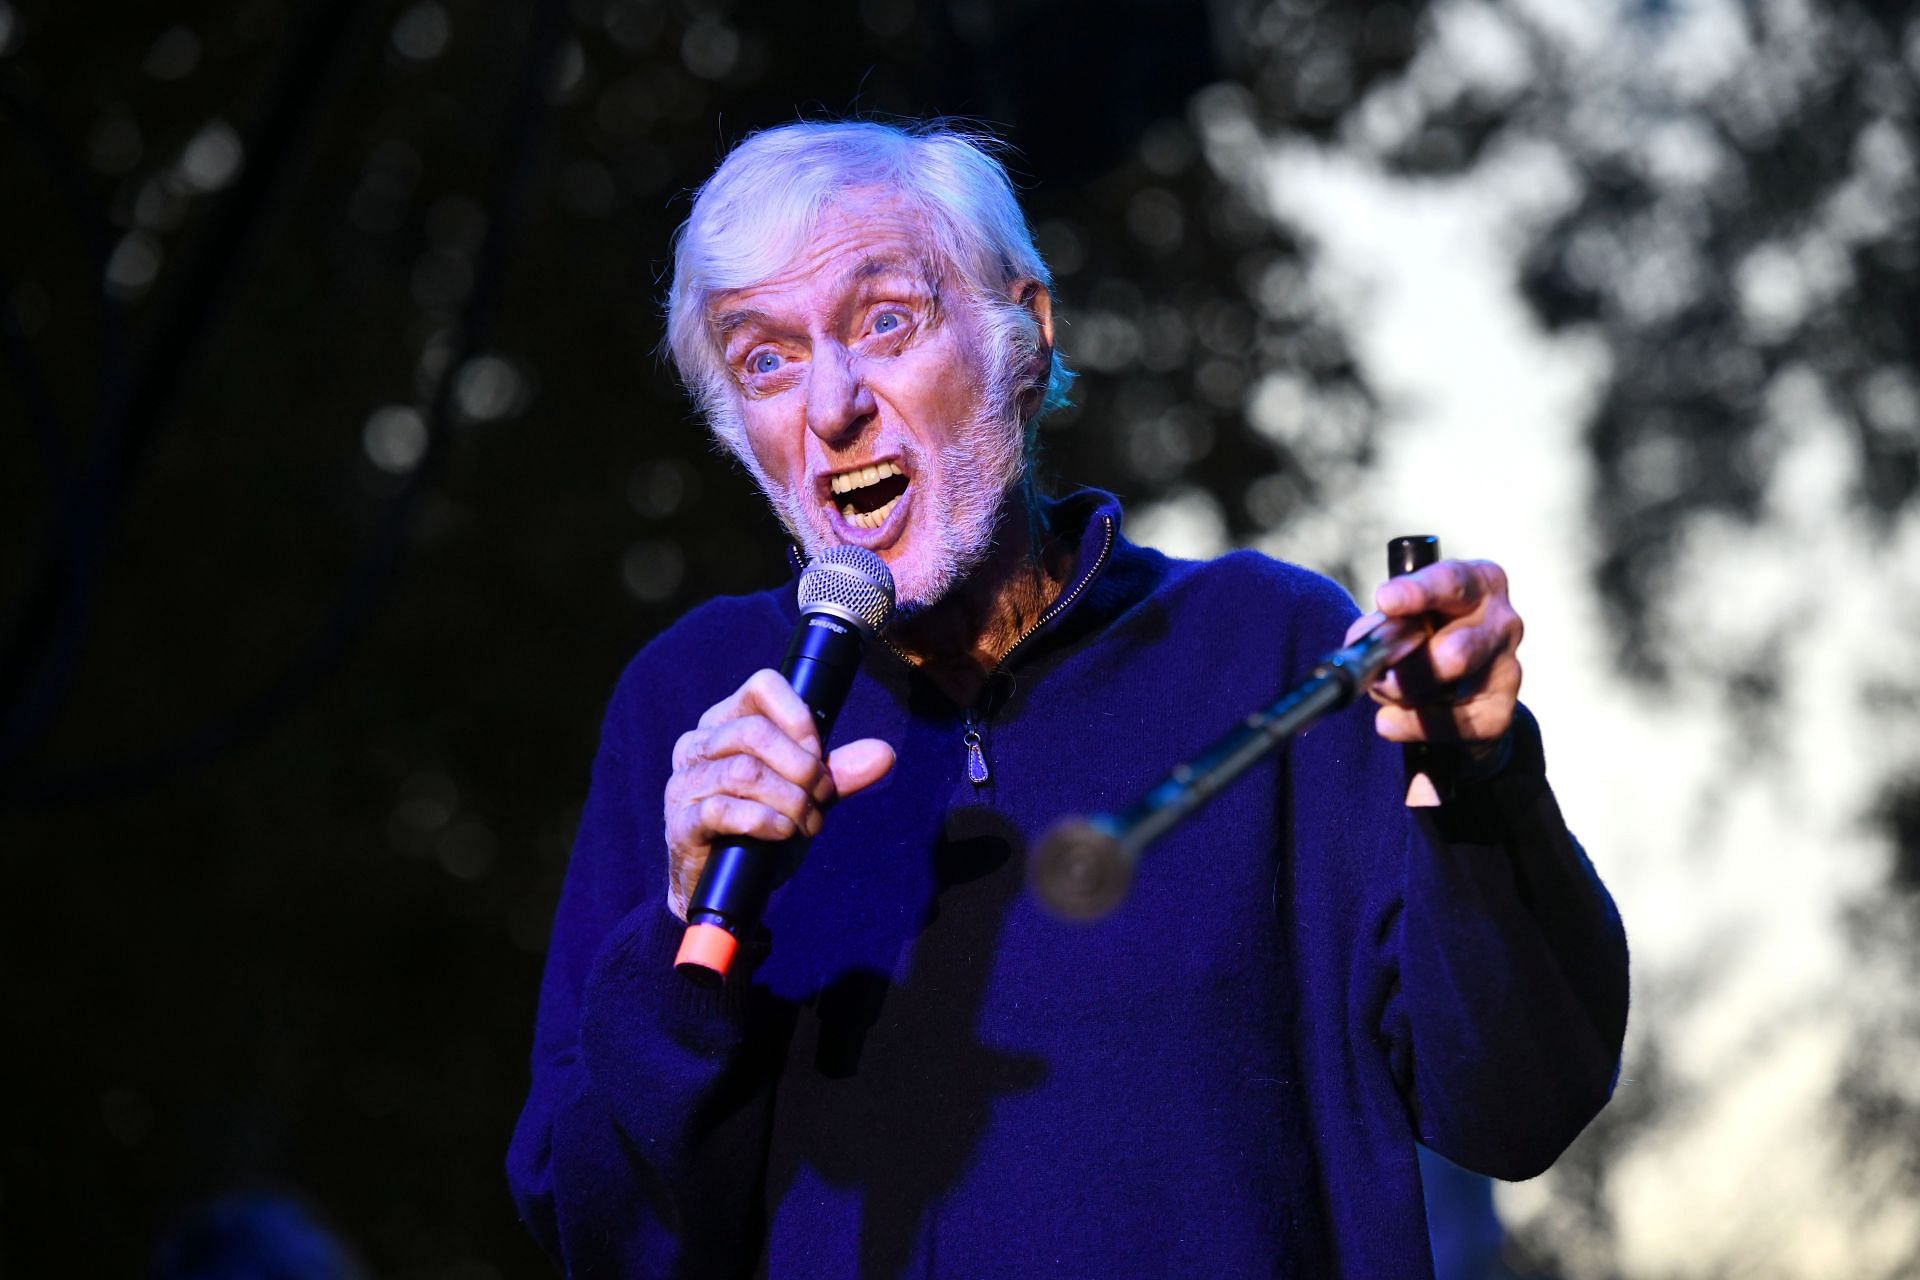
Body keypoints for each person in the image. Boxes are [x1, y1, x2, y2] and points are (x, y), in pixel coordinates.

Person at [507, 119, 1628, 1279]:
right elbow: (603, 1233)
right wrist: (688, 925)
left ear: (1024, 335)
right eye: (766, 361)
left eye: (884, 319)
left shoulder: (1267, 648)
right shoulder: (693, 709)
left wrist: (1482, 782)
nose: (832, 403)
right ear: (741, 434)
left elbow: (1520, 1103)